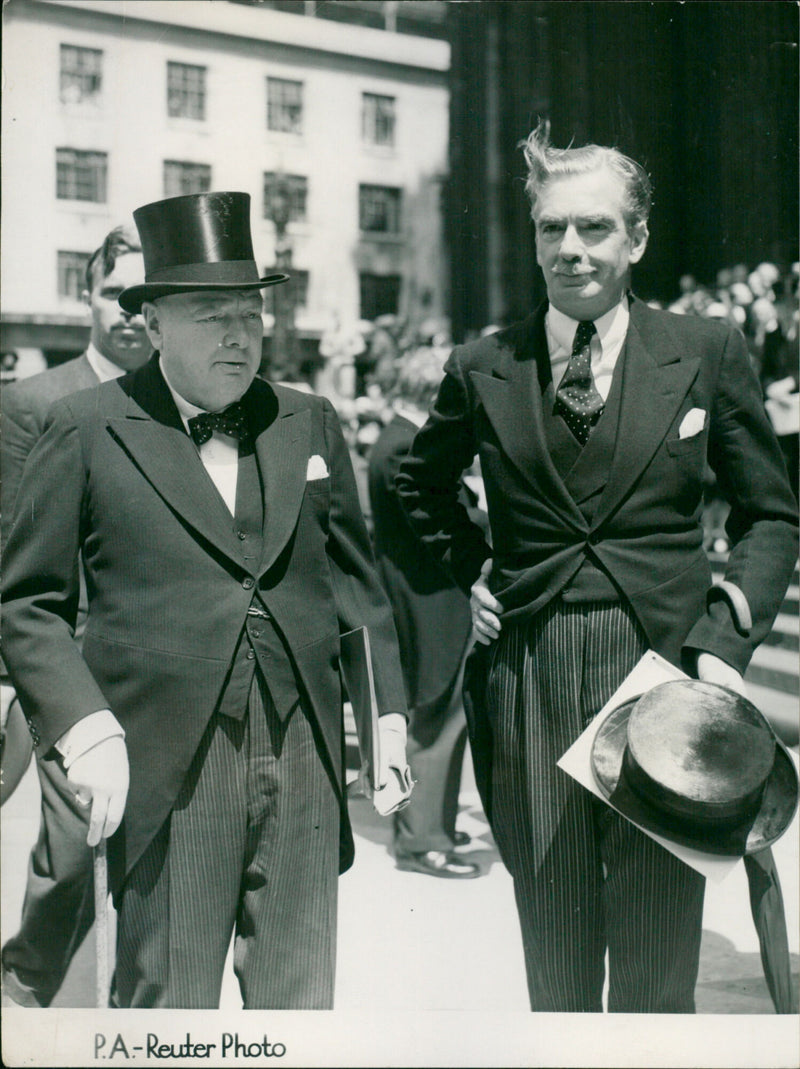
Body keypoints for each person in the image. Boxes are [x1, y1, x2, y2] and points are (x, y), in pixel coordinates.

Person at [395, 122, 799, 1013]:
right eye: (551, 229)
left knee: (658, 967)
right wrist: (469, 572)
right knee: (559, 956)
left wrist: (725, 638)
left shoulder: (706, 349)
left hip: (665, 676)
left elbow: (772, 511)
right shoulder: (483, 364)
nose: (570, 249)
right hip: (527, 672)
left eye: (595, 228)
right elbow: (413, 485)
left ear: (637, 239)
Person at [1, 191, 410, 1009]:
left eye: (249, 314)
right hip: (163, 757)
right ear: (152, 325)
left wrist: (386, 713)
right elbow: (26, 603)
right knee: (168, 1003)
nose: (236, 334)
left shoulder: (310, 420)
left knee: (300, 1009)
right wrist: (83, 726)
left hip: (304, 752)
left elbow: (356, 584)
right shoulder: (85, 427)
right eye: (208, 314)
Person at [1, 225, 150, 1008]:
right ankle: (24, 983)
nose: (128, 312)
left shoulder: (181, 399)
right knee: (69, 846)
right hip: (69, 660)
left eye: (142, 297)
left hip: (156, 662)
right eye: (112, 294)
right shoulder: (33, 402)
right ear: (84, 298)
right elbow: (11, 552)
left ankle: (121, 1002)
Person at [367, 347, 483, 879]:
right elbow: (446, 519)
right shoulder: (406, 445)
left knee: (443, 717)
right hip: (428, 599)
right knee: (433, 720)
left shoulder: (398, 436)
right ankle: (422, 842)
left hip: (427, 595)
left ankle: (432, 823)